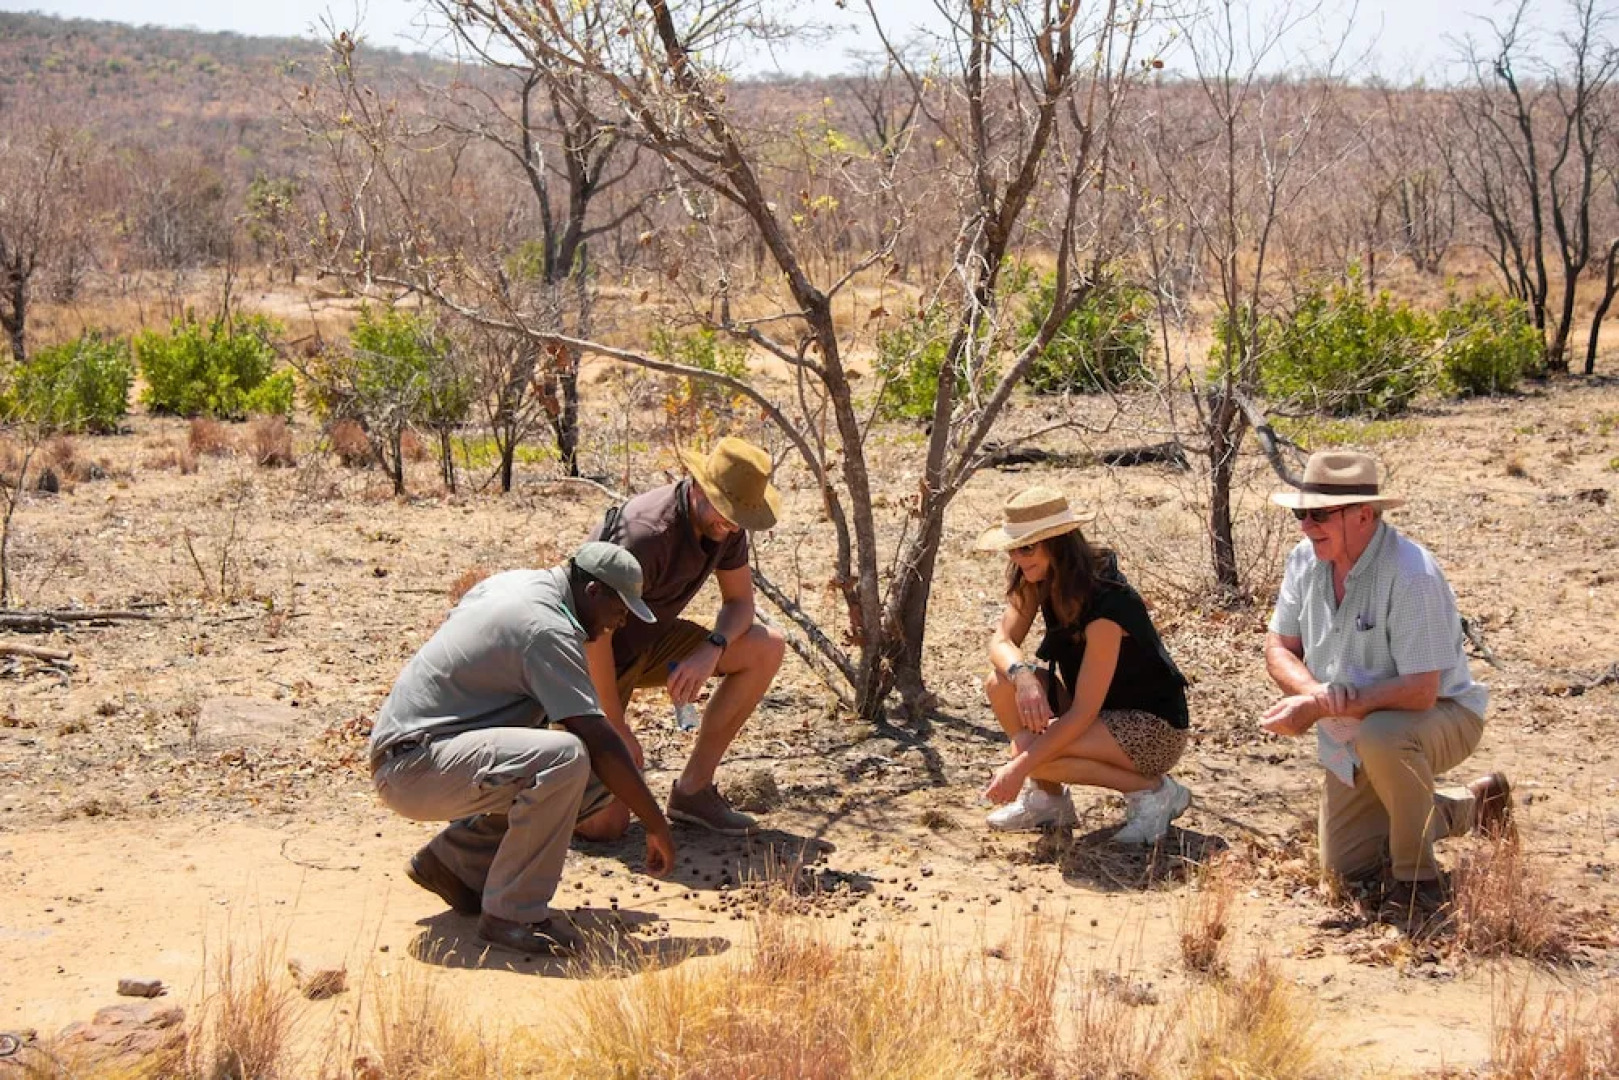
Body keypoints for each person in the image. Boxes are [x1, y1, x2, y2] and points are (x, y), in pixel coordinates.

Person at [368, 541, 677, 955]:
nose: (619, 623)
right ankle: (513, 916)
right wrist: (657, 825)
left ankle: (458, 866)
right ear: (593, 593)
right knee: (569, 758)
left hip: (428, 753)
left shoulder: (519, 585)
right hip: (414, 765)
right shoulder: (544, 628)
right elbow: (597, 738)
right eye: (619, 609)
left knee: (598, 778)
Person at [1261, 451, 1511, 913]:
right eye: (1301, 513)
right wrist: (1316, 695)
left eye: (1318, 514)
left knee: (1383, 735)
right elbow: (1278, 648)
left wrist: (1322, 708)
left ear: (1362, 515)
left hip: (1441, 715)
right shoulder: (1304, 561)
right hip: (1350, 726)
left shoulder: (1410, 573)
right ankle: (1475, 806)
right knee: (1345, 867)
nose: (1305, 526)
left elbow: (1420, 691)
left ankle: (1417, 882)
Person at [577, 436, 788, 839]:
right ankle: (521, 797)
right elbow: (591, 631)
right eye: (724, 511)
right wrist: (615, 725)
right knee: (606, 825)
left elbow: (741, 602)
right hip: (585, 656)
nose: (729, 524)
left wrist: (712, 649)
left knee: (765, 647)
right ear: (698, 488)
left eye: (738, 516)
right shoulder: (646, 534)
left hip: (646, 639)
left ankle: (693, 791)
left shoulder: (729, 527)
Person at [979, 486, 1194, 845]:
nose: (1018, 556)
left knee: (1034, 757)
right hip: (1099, 719)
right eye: (1013, 547)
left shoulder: (1106, 604)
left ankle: (1155, 793)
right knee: (999, 682)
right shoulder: (1037, 579)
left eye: (1027, 547)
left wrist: (1020, 766)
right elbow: (999, 641)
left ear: (1057, 542)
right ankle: (1049, 801)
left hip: (1152, 728)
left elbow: (1082, 712)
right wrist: (1023, 676)